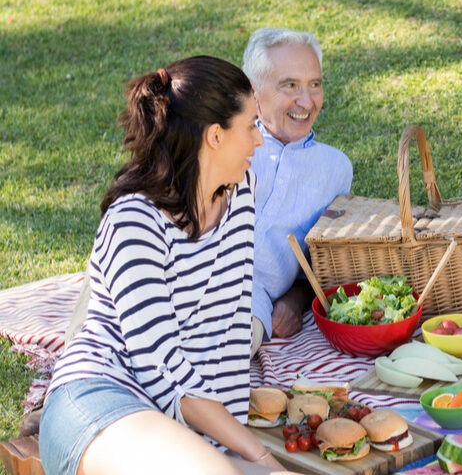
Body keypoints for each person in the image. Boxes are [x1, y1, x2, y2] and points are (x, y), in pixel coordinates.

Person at [37, 56, 301, 475]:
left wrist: (231, 443)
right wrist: (259, 454)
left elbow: (228, 330)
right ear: (215, 136)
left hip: (183, 422)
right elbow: (166, 373)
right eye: (251, 125)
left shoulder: (240, 193)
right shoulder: (135, 222)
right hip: (104, 398)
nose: (260, 140)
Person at [242, 27, 353, 354]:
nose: (306, 101)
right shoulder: (227, 144)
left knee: (216, 360)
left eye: (314, 85)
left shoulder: (334, 168)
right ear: (254, 92)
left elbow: (322, 258)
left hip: (250, 302)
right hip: (189, 273)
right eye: (290, 85)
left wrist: (296, 299)